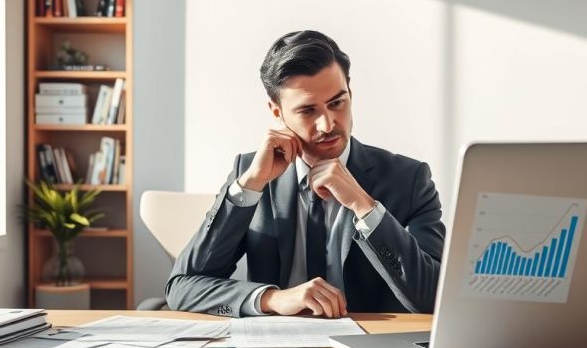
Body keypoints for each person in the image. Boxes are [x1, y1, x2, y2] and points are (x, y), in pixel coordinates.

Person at [166, 30, 445, 317]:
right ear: (277, 112)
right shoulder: (252, 174)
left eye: (337, 103)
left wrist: (364, 206)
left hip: (368, 338)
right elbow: (182, 288)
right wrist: (272, 299)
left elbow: (436, 300)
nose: (328, 125)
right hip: (274, 341)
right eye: (308, 111)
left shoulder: (409, 180)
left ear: (350, 94)